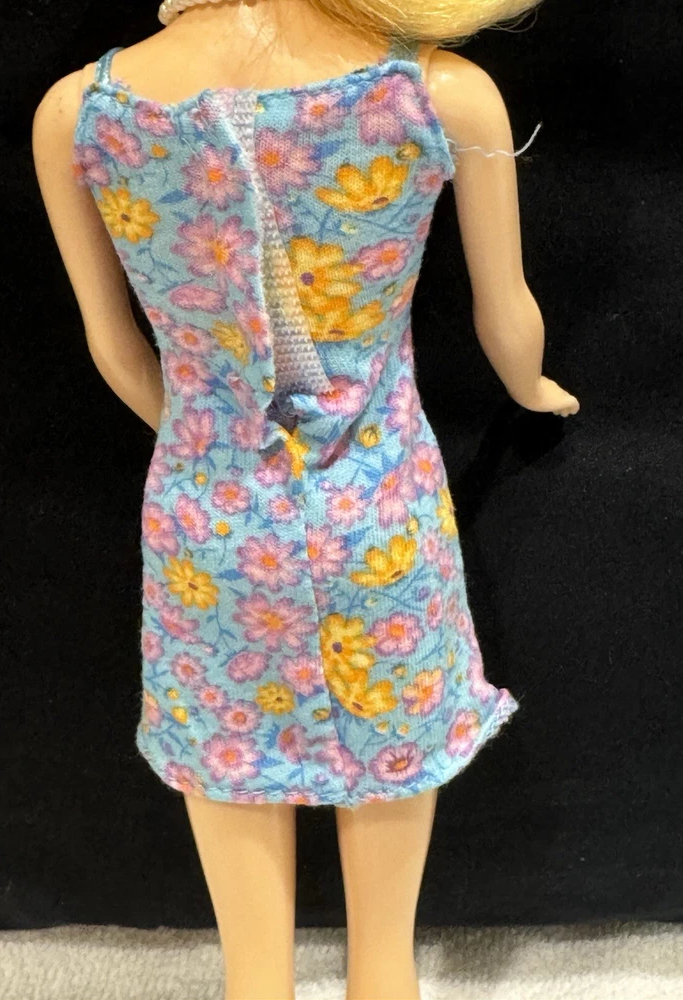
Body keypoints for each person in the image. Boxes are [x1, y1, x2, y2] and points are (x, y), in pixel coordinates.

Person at [33, 1, 578, 997]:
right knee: (389, 771)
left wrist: (210, 439)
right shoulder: (435, 90)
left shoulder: (81, 111)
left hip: (210, 518)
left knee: (231, 759)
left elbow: (112, 349)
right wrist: (535, 388)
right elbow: (507, 319)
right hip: (380, 509)